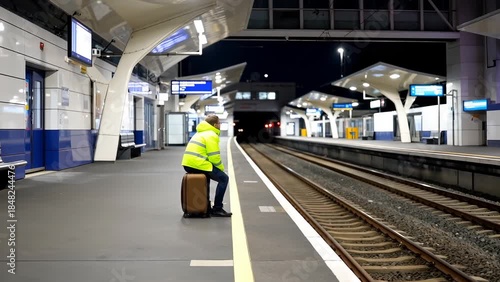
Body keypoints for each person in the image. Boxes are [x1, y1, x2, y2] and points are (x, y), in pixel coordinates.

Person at [181, 114, 232, 217]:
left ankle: (206, 206)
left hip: (188, 163)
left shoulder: (200, 133)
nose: (220, 125)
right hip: (198, 163)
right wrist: (221, 169)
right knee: (224, 179)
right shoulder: (211, 135)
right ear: (214, 125)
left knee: (207, 176)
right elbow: (214, 157)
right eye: (219, 123)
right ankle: (217, 208)